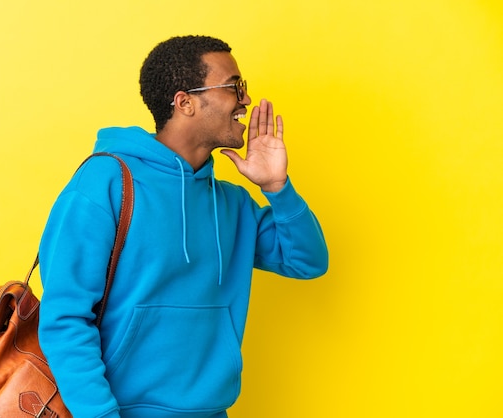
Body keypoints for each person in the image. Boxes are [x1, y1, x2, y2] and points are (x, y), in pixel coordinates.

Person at [38, 35, 329, 418]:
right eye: (233, 87)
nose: (245, 100)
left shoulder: (232, 204)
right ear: (185, 102)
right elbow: (65, 317)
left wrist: (277, 188)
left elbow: (308, 261)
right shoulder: (106, 183)